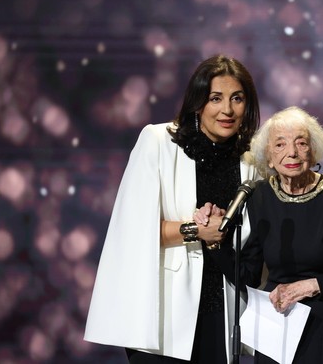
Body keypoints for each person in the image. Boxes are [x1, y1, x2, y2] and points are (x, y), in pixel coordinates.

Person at [84, 54, 262, 363]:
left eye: (237, 98)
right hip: (165, 315)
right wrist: (196, 231)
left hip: (226, 310)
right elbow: (132, 230)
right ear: (197, 102)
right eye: (215, 98)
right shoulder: (158, 141)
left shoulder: (251, 160)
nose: (227, 110)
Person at [198, 106, 323, 363]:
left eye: (301, 143)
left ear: (313, 150)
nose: (292, 152)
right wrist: (215, 242)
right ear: (268, 156)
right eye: (280, 145)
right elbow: (248, 274)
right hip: (277, 323)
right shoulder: (258, 196)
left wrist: (311, 286)